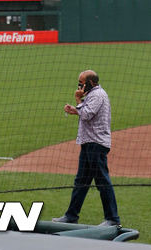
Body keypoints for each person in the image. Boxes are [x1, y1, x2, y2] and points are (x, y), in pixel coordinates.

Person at [52, 70, 121, 227]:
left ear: (91, 83)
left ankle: (113, 219)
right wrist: (76, 108)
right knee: (81, 181)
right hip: (89, 143)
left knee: (102, 181)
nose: (79, 86)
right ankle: (71, 216)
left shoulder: (98, 95)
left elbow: (87, 114)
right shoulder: (92, 95)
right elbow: (84, 112)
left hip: (96, 144)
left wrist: (77, 101)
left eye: (82, 83)